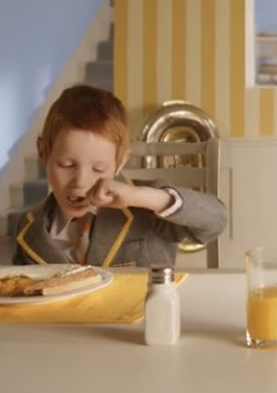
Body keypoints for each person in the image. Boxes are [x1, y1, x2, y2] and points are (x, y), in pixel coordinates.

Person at [13, 85, 228, 267]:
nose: (80, 182)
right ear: (43, 153)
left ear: (120, 163)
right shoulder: (30, 226)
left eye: (98, 169)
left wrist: (142, 197)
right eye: (66, 165)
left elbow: (216, 220)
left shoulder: (146, 207)